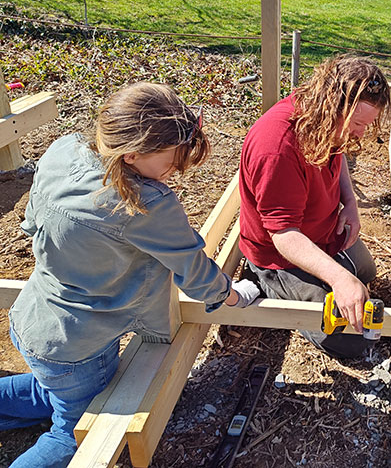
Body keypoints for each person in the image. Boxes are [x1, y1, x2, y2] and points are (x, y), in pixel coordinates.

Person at [0, 83, 260, 468]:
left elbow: (31, 223)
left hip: (32, 318)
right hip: (79, 347)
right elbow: (196, 273)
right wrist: (234, 295)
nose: (176, 170)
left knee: (54, 385)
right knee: (75, 434)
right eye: (171, 161)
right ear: (133, 151)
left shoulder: (65, 148)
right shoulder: (145, 204)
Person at [239, 56, 391, 359]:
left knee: (365, 273)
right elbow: (283, 234)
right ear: (330, 105)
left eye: (366, 124)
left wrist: (349, 202)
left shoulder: (322, 118)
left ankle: (327, 275)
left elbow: (339, 154)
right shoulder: (277, 148)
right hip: (279, 254)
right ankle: (264, 281)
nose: (360, 133)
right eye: (358, 124)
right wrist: (338, 278)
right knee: (354, 342)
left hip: (321, 229)